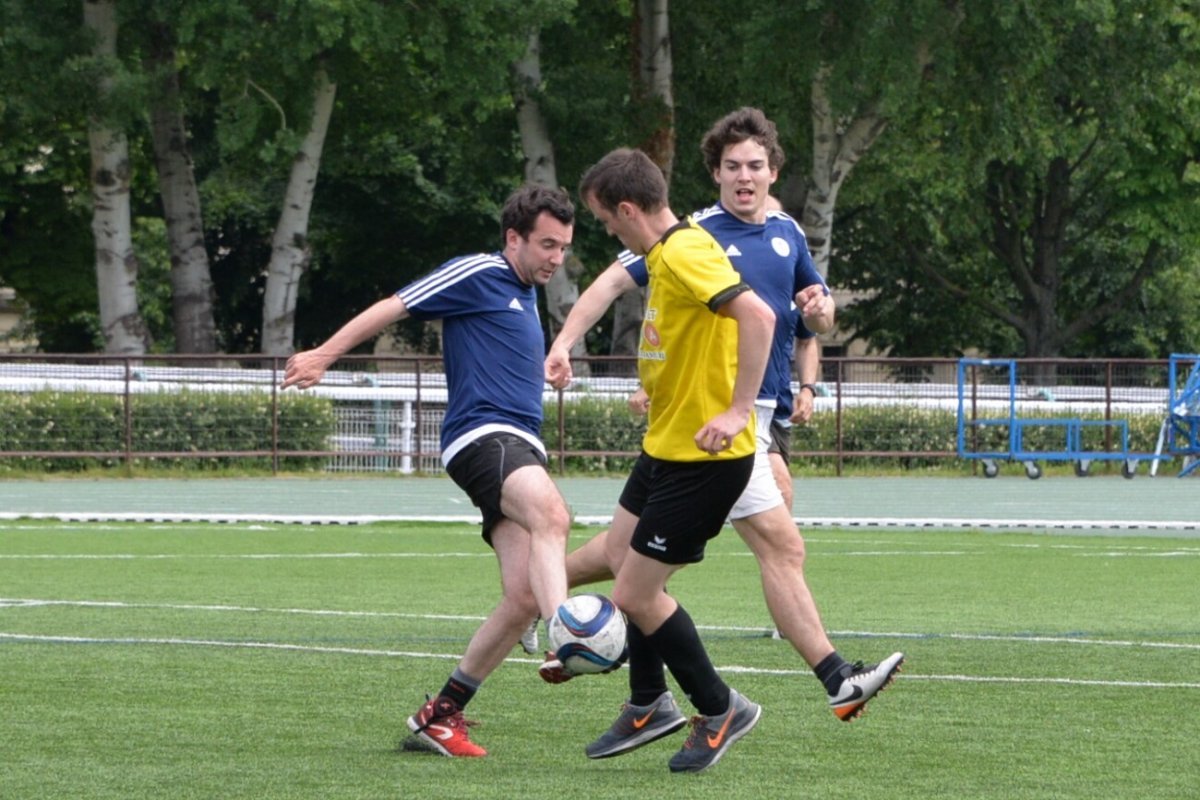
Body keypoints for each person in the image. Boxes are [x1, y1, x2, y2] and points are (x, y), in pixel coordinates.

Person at [543, 110, 903, 745]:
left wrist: (820, 317)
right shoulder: (689, 238)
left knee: (663, 571)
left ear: (773, 172)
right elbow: (625, 297)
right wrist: (573, 343)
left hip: (724, 431)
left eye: (755, 166)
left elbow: (789, 320)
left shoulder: (775, 236)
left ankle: (602, 650)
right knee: (636, 569)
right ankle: (556, 609)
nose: (744, 176)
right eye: (732, 166)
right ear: (715, 174)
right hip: (703, 433)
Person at [281, 184, 575, 758]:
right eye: (546, 245)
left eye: (563, 247)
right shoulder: (477, 270)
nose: (556, 259)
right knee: (553, 516)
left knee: (520, 599)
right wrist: (324, 354)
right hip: (484, 437)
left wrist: (550, 364)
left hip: (519, 445)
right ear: (513, 238)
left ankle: (440, 715)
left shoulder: (526, 290)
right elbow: (395, 305)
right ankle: (569, 636)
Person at [563, 145, 776, 774]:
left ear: (629, 209)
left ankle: (719, 708)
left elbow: (757, 316)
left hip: (705, 461)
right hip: (664, 447)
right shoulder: (668, 251)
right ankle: (649, 703)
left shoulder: (683, 252)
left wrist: (740, 410)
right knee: (620, 562)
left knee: (635, 590)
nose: (606, 229)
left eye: (606, 219)